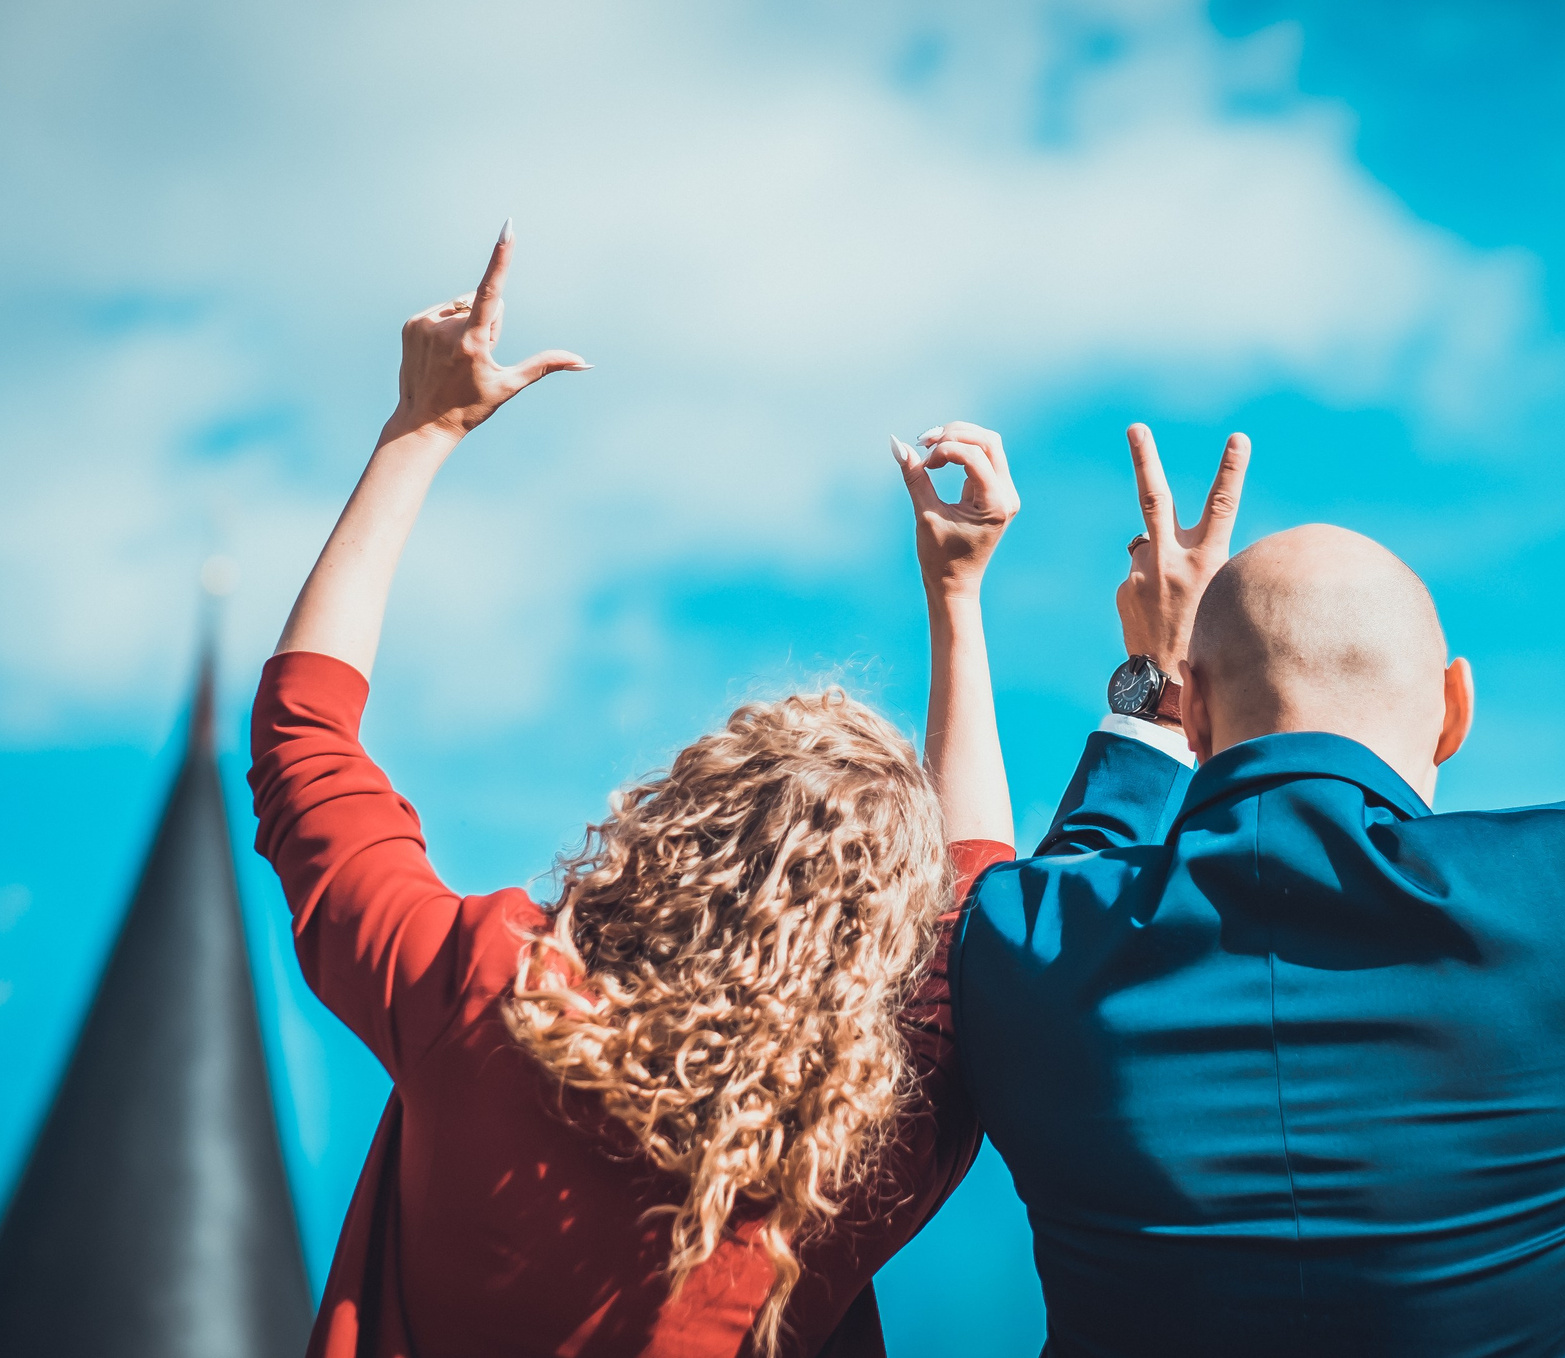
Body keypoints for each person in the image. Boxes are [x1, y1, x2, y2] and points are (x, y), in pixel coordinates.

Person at [954, 399, 1565, 1355]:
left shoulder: (1029, 950)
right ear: (1454, 711)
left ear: (1195, 726)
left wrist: (1151, 680)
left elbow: (1054, 901)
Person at [248, 225, 1022, 1358]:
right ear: (881, 934)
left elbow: (303, 739)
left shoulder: (481, 995)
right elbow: (977, 907)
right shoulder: (879, 1146)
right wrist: (958, 601)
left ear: (675, 823)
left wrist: (420, 431)